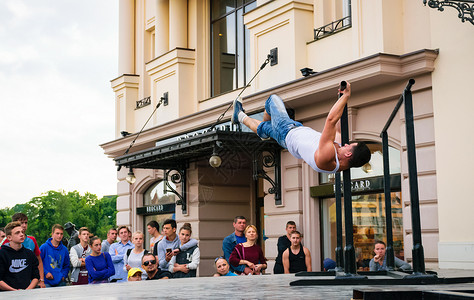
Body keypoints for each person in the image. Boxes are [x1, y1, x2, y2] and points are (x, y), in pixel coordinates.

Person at [232, 81, 371, 173]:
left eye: (349, 146)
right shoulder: (340, 160)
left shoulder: (327, 157)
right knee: (265, 126)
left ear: (348, 154)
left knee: (272, 100)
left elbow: (331, 121)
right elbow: (339, 127)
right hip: (292, 133)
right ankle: (240, 116)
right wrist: (340, 99)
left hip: (286, 131)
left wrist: (346, 96)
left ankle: (263, 130)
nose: (346, 144)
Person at [1, 213, 45, 287]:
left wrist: (41, 280)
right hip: (9, 287)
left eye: (26, 223)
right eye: (21, 223)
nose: (24, 225)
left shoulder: (32, 241)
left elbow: (38, 261)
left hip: (29, 284)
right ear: (9, 238)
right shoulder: (4, 246)